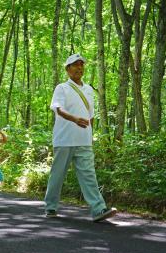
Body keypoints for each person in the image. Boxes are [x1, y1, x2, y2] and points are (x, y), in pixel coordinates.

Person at [44, 53, 117, 222]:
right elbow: (58, 109)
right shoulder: (61, 88)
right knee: (58, 174)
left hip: (84, 140)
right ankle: (51, 206)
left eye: (81, 65)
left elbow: (90, 115)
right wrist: (74, 119)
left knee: (89, 175)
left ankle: (99, 209)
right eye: (75, 65)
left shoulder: (89, 89)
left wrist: (90, 135)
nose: (79, 68)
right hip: (64, 139)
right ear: (67, 69)